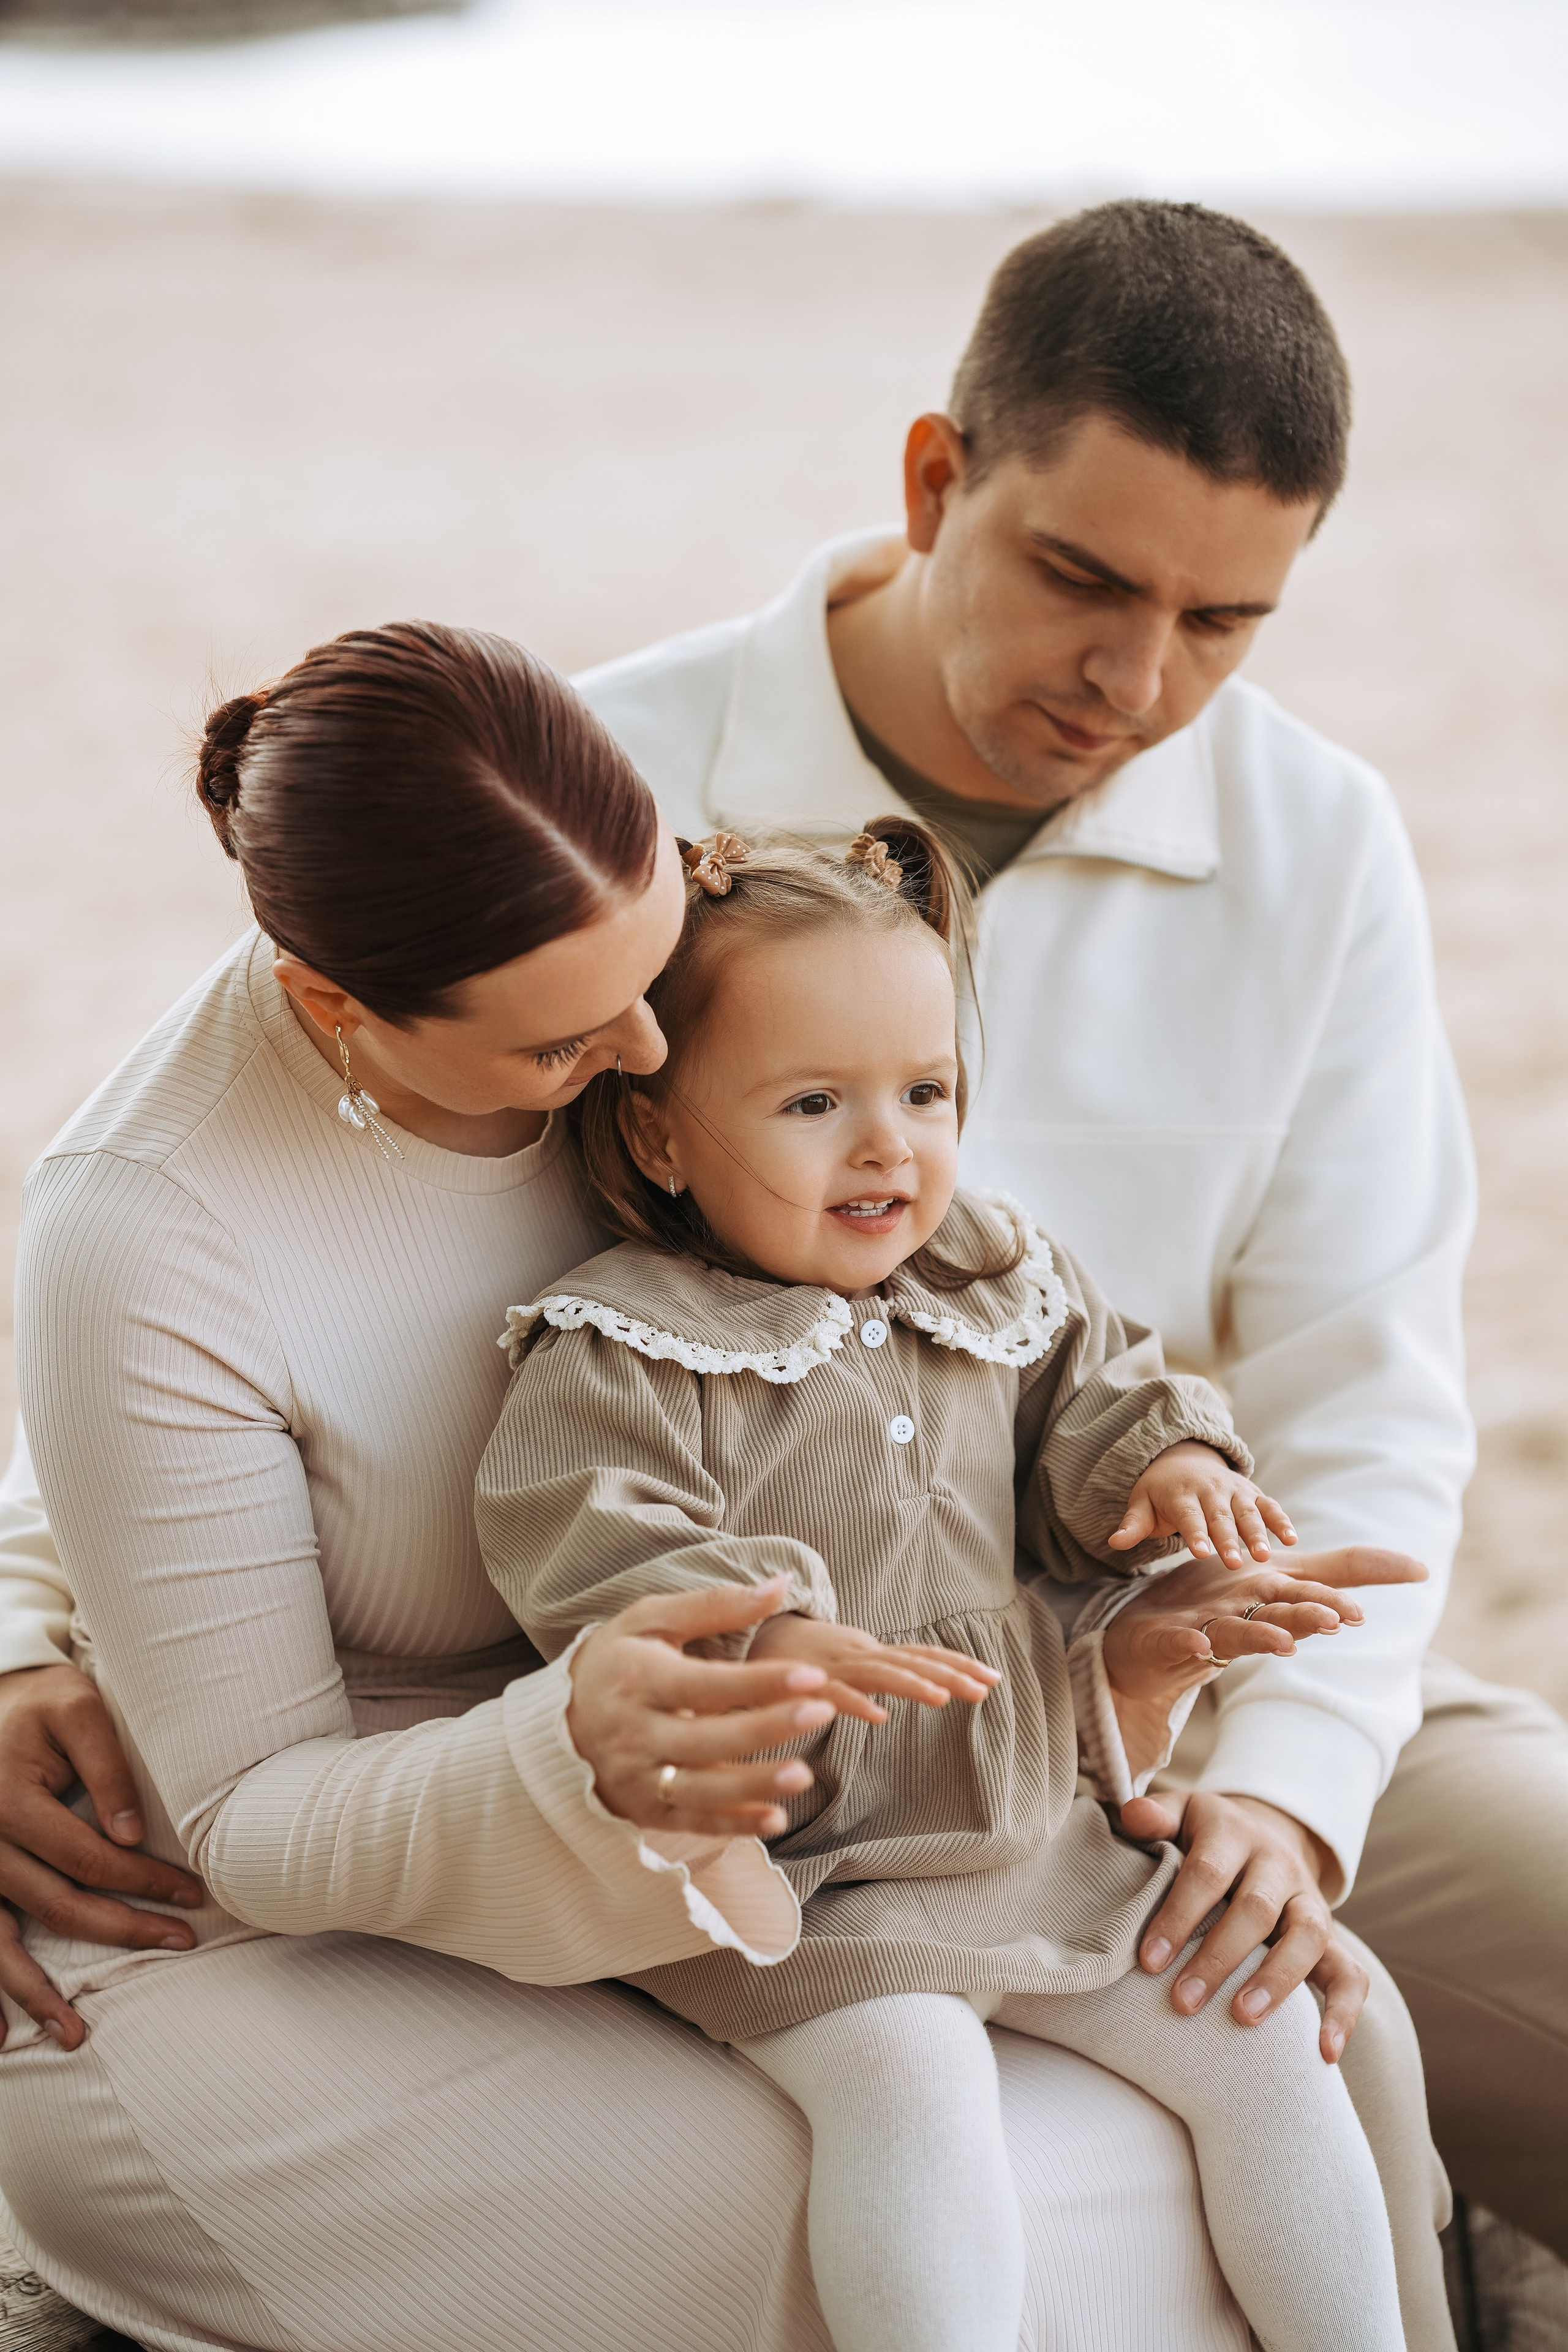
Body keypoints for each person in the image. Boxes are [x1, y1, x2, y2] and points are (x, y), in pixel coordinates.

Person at [2, 618, 1426, 2352]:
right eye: (563, 1049)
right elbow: (129, 1517)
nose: (648, 1052)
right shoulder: (148, 1224)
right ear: (334, 1007)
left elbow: (993, 1359)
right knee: (953, 2215)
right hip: (304, 1894)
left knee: (1325, 2029)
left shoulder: (628, 937)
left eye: (656, 955)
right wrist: (22, 1645)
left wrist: (1141, 1645)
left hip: (820, 1782)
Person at [549, 198, 1566, 2255]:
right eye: (1084, 580)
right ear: (937, 481)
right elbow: (243, 1210)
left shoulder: (1318, 840)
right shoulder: (598, 785)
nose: (1137, 679)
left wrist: (1288, 1793)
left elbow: (1365, 1397)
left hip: (1192, 1684)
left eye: (1224, 622)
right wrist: (33, 1633)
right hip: (791, 1735)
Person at [477, 815, 1430, 2352]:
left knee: (1264, 2042)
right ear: (656, 1137)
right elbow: (588, 1538)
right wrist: (766, 1630)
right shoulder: (623, 1346)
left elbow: (1103, 1392)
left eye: (925, 1092)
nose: (888, 1148)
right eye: (813, 1103)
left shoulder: (986, 1276)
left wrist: (1172, 1467)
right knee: (912, 2078)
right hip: (804, 1869)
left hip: (1023, 1820)